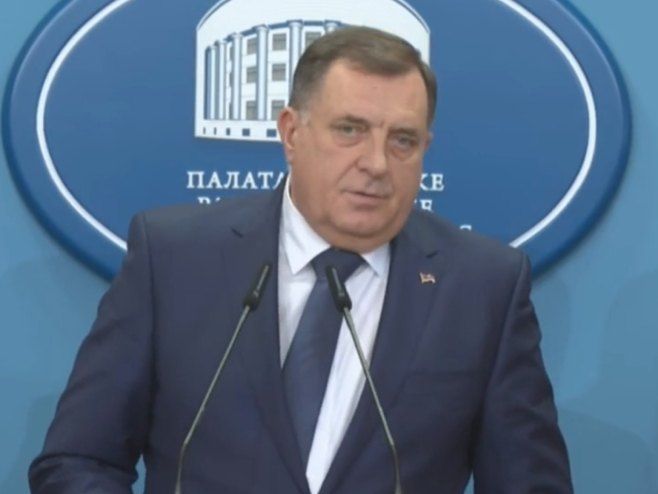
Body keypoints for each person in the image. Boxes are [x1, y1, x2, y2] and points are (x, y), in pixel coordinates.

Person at [29, 26, 573, 493]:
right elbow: (78, 461)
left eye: (403, 140)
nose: (377, 163)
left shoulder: (482, 287)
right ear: (291, 133)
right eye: (350, 130)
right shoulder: (174, 259)